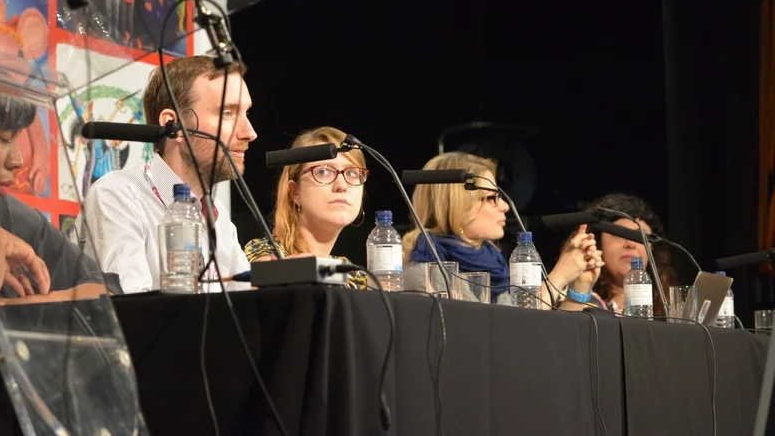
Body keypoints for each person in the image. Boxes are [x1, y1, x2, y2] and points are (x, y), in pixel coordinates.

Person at [79, 56, 255, 293]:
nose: (250, 132)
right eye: (227, 113)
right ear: (174, 125)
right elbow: (132, 315)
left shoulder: (219, 217)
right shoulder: (118, 196)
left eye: (246, 114)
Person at [402, 152, 602, 308]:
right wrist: (559, 276)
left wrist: (579, 287)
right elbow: (503, 330)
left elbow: (543, 335)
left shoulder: (495, 266)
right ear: (456, 206)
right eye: (491, 198)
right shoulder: (427, 271)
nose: (505, 206)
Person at [0, 90, 118, 305]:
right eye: (5, 138)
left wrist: (17, 306)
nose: (18, 160)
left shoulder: (8, 212)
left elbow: (107, 291)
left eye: (18, 138)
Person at [243, 126, 367, 289]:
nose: (341, 185)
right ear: (295, 192)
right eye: (323, 171)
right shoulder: (266, 252)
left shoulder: (353, 276)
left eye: (352, 173)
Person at [559, 192, 678, 315]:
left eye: (639, 237)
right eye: (619, 234)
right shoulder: (572, 300)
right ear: (597, 242)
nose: (630, 244)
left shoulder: (669, 308)